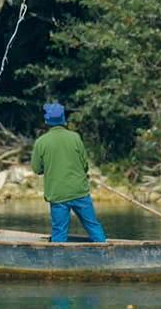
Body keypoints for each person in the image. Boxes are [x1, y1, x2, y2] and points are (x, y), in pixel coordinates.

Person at [30, 103, 106, 243]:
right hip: (79, 191)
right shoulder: (75, 137)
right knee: (92, 225)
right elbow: (85, 165)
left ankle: (58, 260)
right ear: (63, 119)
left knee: (59, 231)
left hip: (58, 195)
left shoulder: (41, 142)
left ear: (47, 120)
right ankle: (106, 253)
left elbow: (37, 169)